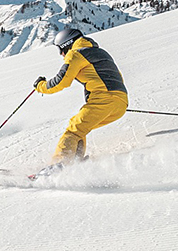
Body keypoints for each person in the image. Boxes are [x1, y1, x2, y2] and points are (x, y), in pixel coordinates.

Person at [33, 27, 128, 167]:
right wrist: (115, 101)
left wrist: (40, 86)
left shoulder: (76, 54)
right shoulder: (102, 53)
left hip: (104, 100)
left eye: (60, 49)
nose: (61, 54)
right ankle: (75, 161)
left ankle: (59, 166)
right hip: (121, 103)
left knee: (73, 130)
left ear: (66, 44)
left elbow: (61, 82)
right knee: (80, 129)